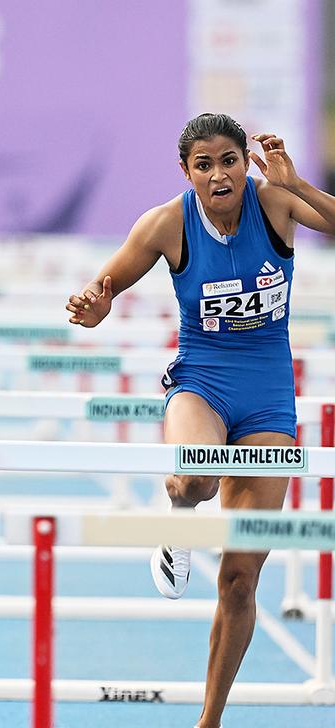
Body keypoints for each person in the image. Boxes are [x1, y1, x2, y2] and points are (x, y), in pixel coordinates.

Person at [66, 113, 335, 728]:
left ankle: (208, 721)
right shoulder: (165, 224)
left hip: (269, 398)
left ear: (247, 162)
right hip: (202, 384)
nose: (219, 174)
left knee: (241, 579)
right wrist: (92, 305)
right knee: (195, 479)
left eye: (229, 161)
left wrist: (296, 185)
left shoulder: (276, 203)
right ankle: (177, 518)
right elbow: (104, 288)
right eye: (204, 164)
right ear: (186, 173)